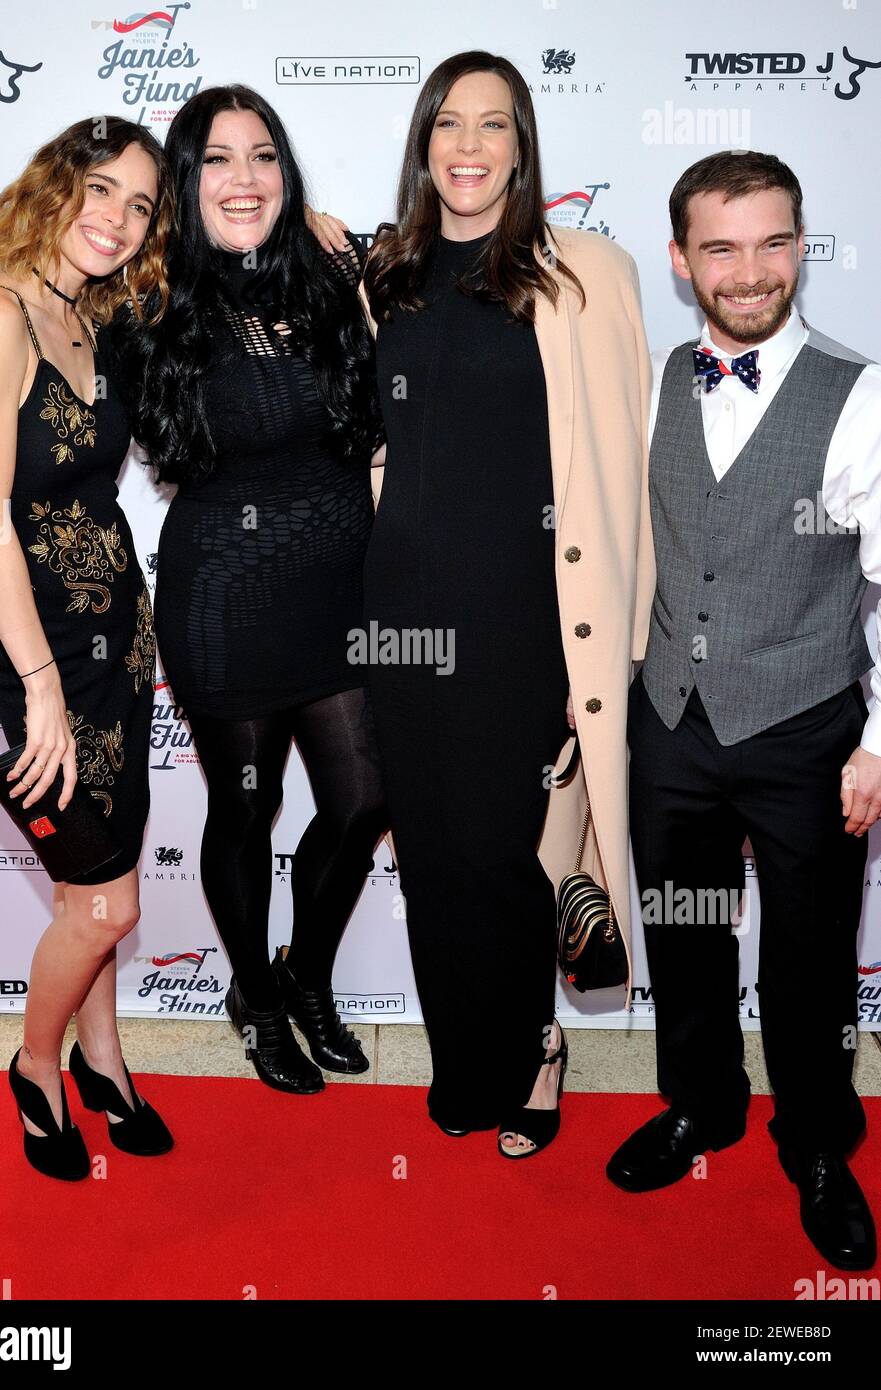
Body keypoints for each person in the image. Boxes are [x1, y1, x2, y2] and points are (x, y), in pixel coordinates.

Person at [359, 51, 654, 1157]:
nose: (468, 146)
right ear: (423, 144)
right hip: (400, 619)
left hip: (528, 617)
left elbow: (626, 473)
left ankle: (537, 1048)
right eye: (447, 124)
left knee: (512, 856)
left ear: (522, 144)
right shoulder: (382, 274)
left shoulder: (586, 273)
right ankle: (461, 1058)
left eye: (492, 125)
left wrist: (624, 645)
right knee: (433, 854)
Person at [607, 150, 881, 1271]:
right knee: (681, 932)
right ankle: (703, 1102)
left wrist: (877, 743)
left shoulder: (856, 391)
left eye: (773, 241)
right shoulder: (661, 376)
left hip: (808, 719)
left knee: (810, 962)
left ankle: (817, 1141)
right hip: (670, 714)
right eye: (721, 246)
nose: (750, 269)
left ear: (800, 245)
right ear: (681, 260)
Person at [109, 86, 389, 1095]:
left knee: (364, 800)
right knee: (247, 805)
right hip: (226, 593)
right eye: (217, 159)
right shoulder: (151, 301)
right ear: (185, 182)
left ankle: (302, 975)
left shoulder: (329, 273)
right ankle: (256, 998)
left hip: (343, 591)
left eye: (262, 155)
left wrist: (337, 252)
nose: (244, 178)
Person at [0, 117, 178, 1180]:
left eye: (140, 205)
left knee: (103, 876)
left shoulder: (95, 318)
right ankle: (37, 1064)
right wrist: (36, 685)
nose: (117, 219)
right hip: (44, 652)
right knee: (106, 901)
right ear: (53, 187)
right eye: (100, 191)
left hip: (121, 635)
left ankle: (103, 1051)